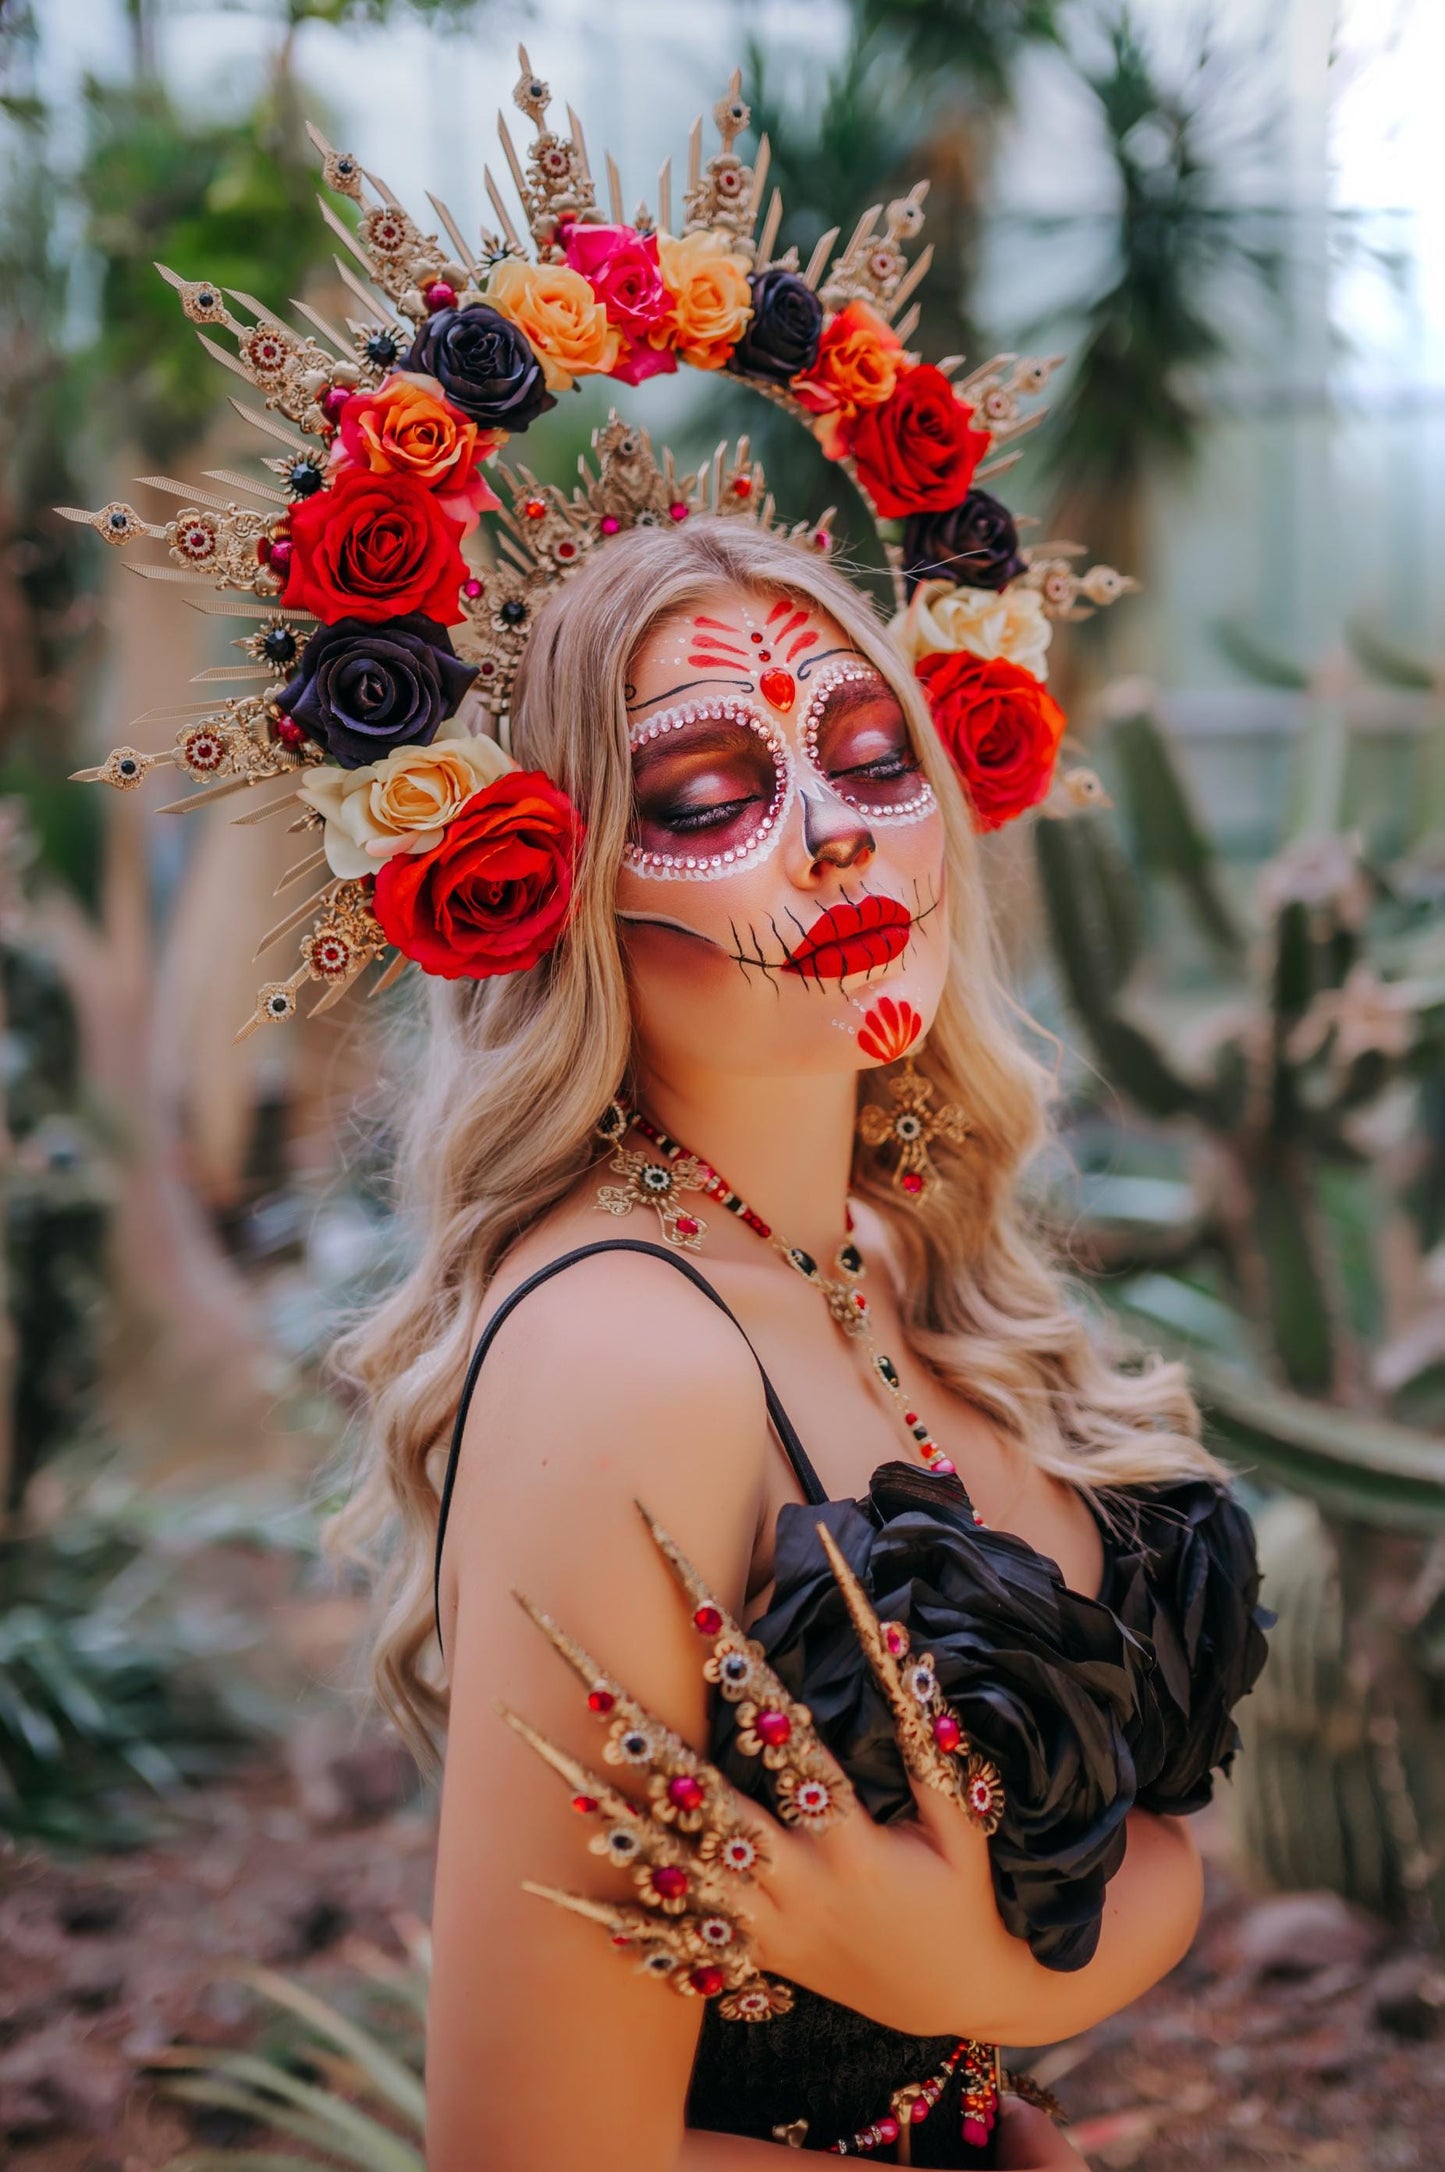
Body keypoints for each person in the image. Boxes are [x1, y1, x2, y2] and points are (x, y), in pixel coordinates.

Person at [64, 54, 1268, 2168]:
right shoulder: (630, 1356)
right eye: (715, 792)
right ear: (567, 869)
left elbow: (1159, 1850)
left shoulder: (896, 1258)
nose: (835, 844)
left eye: (873, 759)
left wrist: (980, 1981)